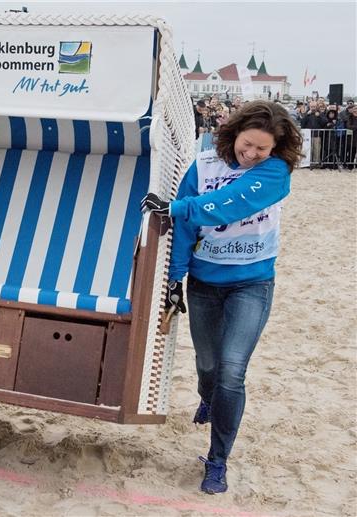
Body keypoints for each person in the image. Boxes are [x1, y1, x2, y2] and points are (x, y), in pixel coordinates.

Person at [140, 101, 303, 495]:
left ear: (275, 149)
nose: (252, 154)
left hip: (252, 283)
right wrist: (176, 278)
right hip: (204, 282)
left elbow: (235, 201)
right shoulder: (205, 163)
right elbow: (183, 227)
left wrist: (177, 205)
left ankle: (217, 460)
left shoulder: (275, 172)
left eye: (262, 149)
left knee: (232, 370)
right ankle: (207, 399)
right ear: (234, 135)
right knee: (208, 365)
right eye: (248, 145)